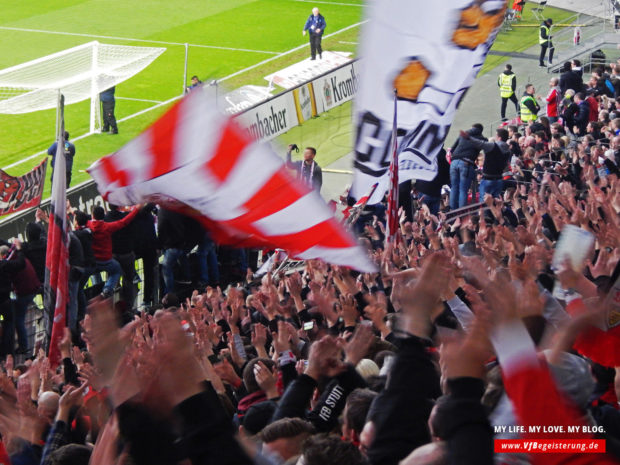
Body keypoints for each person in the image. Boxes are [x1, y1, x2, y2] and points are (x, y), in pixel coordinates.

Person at [87, 205, 139, 298]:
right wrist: (137, 209)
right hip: (107, 260)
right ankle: (108, 290)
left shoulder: (89, 225)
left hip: (94, 261)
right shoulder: (107, 227)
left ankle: (108, 301)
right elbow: (123, 222)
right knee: (117, 271)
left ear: (92, 216)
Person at [459, 128, 511, 199]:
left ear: (499, 138)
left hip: (488, 179)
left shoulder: (493, 146)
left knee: (484, 204)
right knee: (495, 203)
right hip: (499, 180)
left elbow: (480, 143)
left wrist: (468, 137)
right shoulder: (508, 151)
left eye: (496, 135)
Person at [449, 124, 485, 209]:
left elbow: (452, 149)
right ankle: (461, 213)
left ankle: (452, 211)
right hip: (466, 163)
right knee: (463, 190)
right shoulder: (481, 138)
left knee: (454, 188)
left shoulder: (463, 135)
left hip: (454, 162)